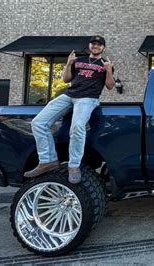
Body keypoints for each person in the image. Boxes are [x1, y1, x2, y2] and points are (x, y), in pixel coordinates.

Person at [24, 35, 115, 184]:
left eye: (99, 45)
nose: (96, 46)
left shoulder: (105, 63)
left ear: (103, 48)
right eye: (94, 44)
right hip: (69, 95)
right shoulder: (78, 60)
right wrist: (68, 63)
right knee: (38, 122)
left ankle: (74, 166)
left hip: (88, 98)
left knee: (77, 127)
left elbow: (110, 86)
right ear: (89, 46)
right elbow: (66, 79)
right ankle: (48, 160)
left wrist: (109, 70)